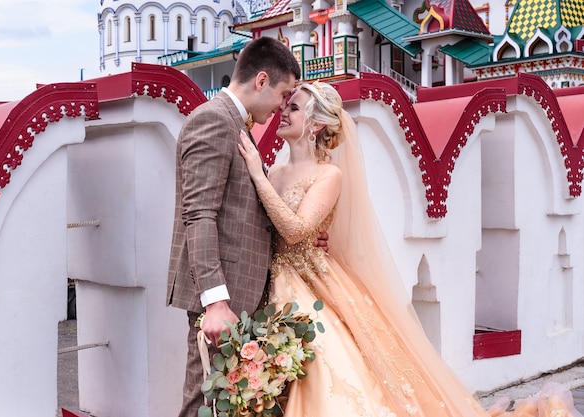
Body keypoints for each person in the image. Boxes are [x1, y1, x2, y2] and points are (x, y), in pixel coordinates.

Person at [237, 80, 583, 417]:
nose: (283, 113)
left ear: (315, 124)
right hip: (275, 279)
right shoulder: (277, 171)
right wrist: (264, 177)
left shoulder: (329, 175)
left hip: (313, 283)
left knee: (324, 365)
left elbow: (296, 230)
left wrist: (256, 174)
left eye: (293, 108)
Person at [166, 36, 328, 417]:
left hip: (242, 293)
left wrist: (300, 237)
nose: (280, 107)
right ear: (260, 81)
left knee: (225, 405)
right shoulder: (213, 119)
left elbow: (241, 213)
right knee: (203, 402)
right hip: (222, 298)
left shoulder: (235, 124)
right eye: (283, 93)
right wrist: (216, 302)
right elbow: (199, 214)